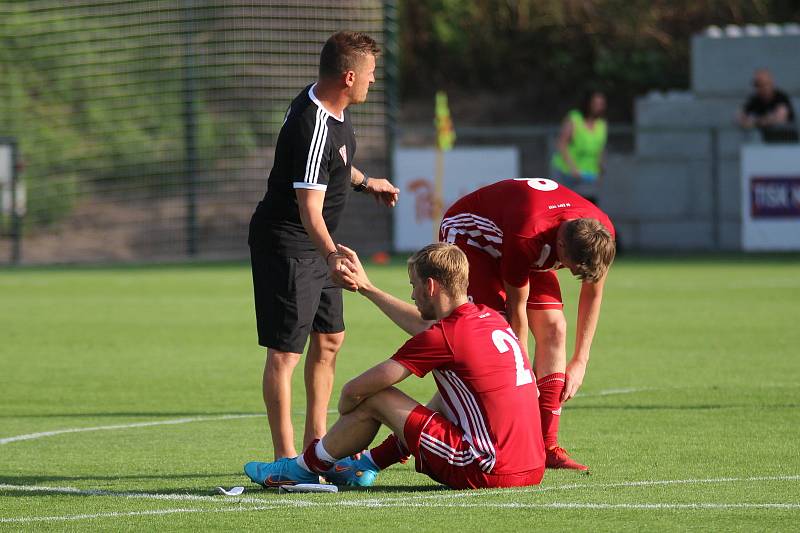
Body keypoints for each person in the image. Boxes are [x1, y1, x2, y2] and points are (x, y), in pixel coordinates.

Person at [244, 243, 546, 490]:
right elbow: (426, 327)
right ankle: (365, 466)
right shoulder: (492, 319)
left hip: (485, 468)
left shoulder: (444, 337)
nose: (412, 295)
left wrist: (350, 415)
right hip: (531, 467)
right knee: (450, 394)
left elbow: (358, 390)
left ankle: (300, 469)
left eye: (413, 286)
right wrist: (367, 288)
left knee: (375, 397)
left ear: (430, 286)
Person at [247, 31, 400, 460]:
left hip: (317, 246)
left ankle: (318, 450)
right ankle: (285, 461)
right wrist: (332, 256)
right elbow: (308, 211)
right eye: (371, 74)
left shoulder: (333, 107)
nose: (374, 81)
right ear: (349, 76)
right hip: (289, 244)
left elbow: (338, 164)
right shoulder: (312, 125)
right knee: (285, 353)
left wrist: (367, 183)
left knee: (331, 338)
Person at [439, 178, 616, 471]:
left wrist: (580, 361)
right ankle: (432, 434)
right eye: (570, 269)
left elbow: (593, 293)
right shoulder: (528, 236)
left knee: (555, 328)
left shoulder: (602, 233)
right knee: (492, 332)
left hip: (517, 236)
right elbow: (516, 308)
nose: (571, 274)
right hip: (472, 239)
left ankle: (547, 446)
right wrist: (522, 376)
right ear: (559, 245)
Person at [551, 91, 607, 204]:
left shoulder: (602, 124)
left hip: (589, 175)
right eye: (596, 103)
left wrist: (601, 170)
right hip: (568, 174)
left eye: (601, 104)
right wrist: (572, 168)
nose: (599, 107)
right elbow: (562, 143)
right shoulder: (575, 118)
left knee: (589, 209)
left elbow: (600, 150)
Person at [736, 68, 798, 143]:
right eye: (757, 85)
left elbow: (780, 119)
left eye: (763, 84)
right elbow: (739, 117)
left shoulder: (781, 98)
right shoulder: (755, 100)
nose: (761, 88)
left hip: (788, 143)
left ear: (771, 83)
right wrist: (746, 121)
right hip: (768, 142)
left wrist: (755, 122)